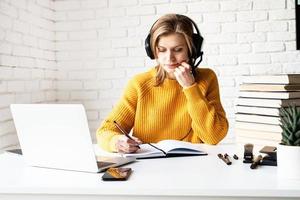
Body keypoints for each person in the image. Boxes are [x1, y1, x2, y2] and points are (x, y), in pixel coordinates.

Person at [96, 14, 229, 153]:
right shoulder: (139, 84)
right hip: (149, 166)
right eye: (162, 49)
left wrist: (190, 87)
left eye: (178, 50)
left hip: (193, 166)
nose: (169, 58)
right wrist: (116, 142)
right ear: (153, 50)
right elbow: (105, 131)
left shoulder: (207, 78)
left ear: (191, 50)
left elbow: (214, 136)